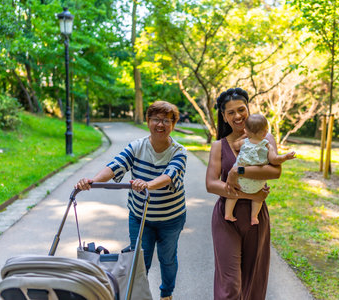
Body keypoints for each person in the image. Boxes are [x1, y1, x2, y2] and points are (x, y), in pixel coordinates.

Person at [75, 101, 187, 300]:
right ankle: (136, 295)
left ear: (173, 124)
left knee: (167, 259)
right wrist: (93, 181)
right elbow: (115, 165)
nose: (160, 125)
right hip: (140, 216)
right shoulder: (137, 147)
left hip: (171, 218)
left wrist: (147, 184)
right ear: (147, 121)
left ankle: (166, 294)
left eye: (166, 121)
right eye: (156, 119)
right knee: (138, 260)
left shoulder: (179, 152)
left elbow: (169, 176)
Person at [205, 88, 283, 300]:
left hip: (255, 219)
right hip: (226, 217)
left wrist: (236, 171)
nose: (238, 116)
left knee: (253, 280)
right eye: (231, 112)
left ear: (248, 108)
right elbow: (211, 185)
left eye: (241, 109)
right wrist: (251, 196)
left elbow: (275, 171)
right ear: (224, 116)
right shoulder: (218, 146)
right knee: (230, 284)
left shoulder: (266, 138)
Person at [224, 113, 296, 225]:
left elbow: (235, 146)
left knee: (233, 196)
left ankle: (228, 214)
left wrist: (244, 136)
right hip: (256, 183)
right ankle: (254, 217)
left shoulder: (244, 142)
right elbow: (274, 160)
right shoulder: (267, 146)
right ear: (265, 132)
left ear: (246, 131)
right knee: (258, 199)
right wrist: (285, 157)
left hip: (239, 181)